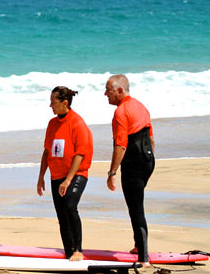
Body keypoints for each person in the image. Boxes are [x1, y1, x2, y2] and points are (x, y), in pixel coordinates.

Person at [37, 87, 94, 261]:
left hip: (77, 174)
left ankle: (78, 250)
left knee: (70, 206)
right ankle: (69, 252)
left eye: (53, 102)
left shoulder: (77, 123)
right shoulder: (52, 124)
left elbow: (80, 154)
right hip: (56, 176)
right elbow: (47, 151)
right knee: (62, 215)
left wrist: (68, 179)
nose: (50, 106)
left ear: (65, 103)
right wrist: (41, 177)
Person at [104, 74, 155, 264]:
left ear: (119, 90)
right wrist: (148, 161)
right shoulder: (140, 106)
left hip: (133, 163)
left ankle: (143, 257)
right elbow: (151, 137)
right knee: (136, 204)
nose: (105, 94)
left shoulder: (121, 112)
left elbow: (120, 145)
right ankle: (138, 246)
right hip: (148, 160)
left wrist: (112, 172)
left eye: (108, 90)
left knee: (136, 208)